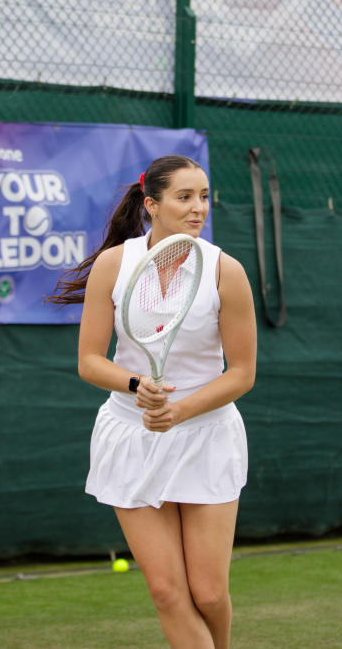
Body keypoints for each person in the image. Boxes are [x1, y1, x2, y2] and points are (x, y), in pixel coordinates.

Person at [48, 155, 257, 648]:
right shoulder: (114, 265)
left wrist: (180, 410)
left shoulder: (226, 272)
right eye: (184, 197)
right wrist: (137, 386)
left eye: (204, 196)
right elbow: (90, 361)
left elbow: (243, 373)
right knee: (166, 591)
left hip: (207, 437)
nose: (197, 208)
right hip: (132, 437)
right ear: (151, 204)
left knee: (207, 592)